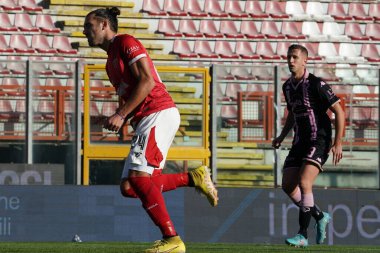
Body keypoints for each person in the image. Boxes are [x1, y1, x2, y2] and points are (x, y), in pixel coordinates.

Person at [83, 7, 218, 253]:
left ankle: (172, 240)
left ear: (104, 25)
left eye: (88, 26)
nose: (84, 32)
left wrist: (121, 115)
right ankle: (193, 178)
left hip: (158, 112)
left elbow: (147, 82)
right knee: (129, 187)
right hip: (146, 118)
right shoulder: (109, 62)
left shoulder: (126, 42)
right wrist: (121, 116)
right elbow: (129, 92)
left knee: (138, 179)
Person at [272, 44, 344, 247]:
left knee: (304, 183)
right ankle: (320, 216)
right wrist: (281, 136)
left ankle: (302, 235)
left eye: (295, 57)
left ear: (305, 61)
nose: (291, 61)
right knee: (287, 185)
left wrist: (338, 143)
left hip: (319, 139)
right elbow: (293, 114)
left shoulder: (316, 84)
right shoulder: (287, 87)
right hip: (299, 141)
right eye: (289, 57)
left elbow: (339, 112)